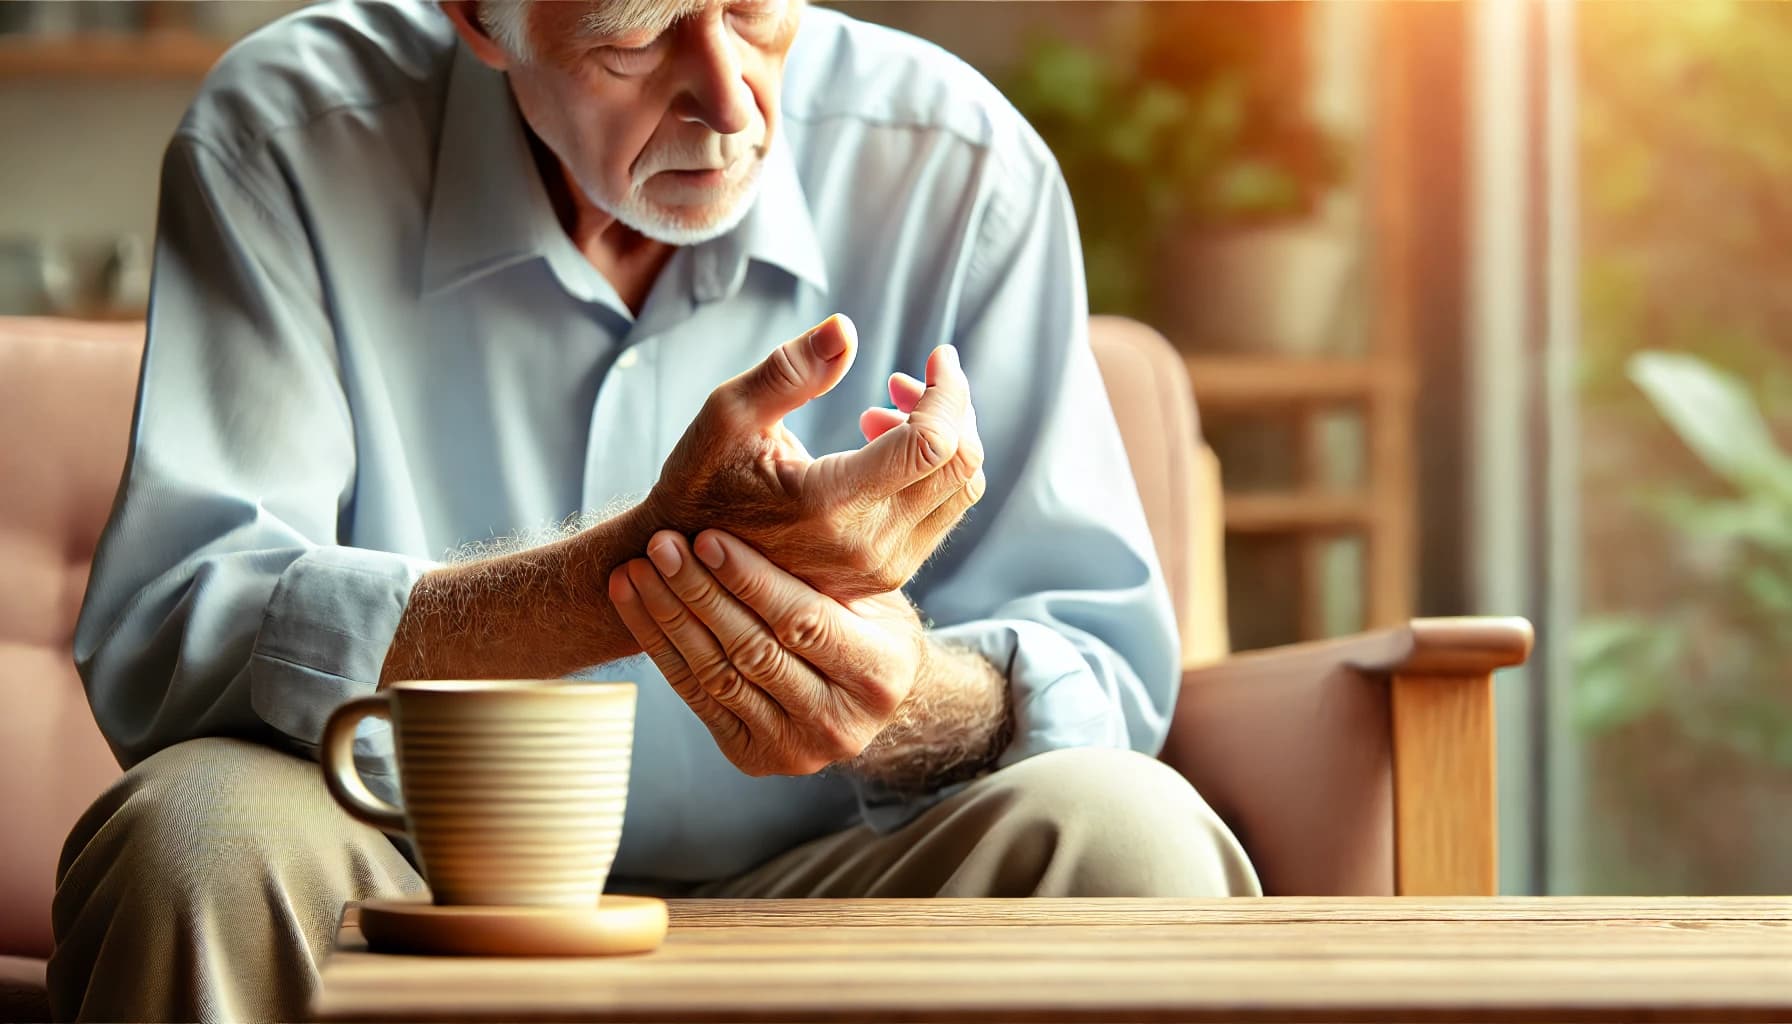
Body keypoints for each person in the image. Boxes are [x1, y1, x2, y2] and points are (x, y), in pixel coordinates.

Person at [50, 1, 1259, 1020]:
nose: (730, 102)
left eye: (753, 8)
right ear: (477, 16)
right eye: (634, 39)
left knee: (1131, 836)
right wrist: (620, 576)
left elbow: (1099, 676)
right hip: (411, 884)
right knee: (194, 832)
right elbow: (177, 628)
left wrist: (898, 696)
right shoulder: (285, 137)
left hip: (849, 883)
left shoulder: (961, 166)